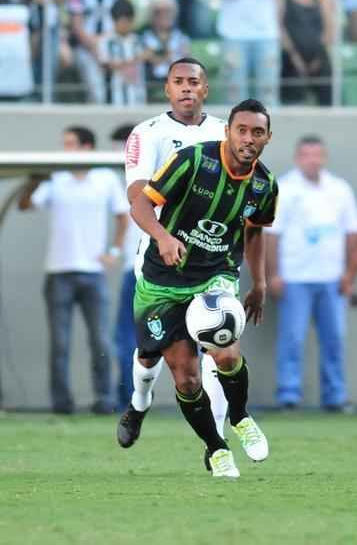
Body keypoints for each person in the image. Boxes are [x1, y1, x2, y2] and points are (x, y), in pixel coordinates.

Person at [121, 98, 277, 479]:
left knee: (224, 354)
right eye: (242, 130)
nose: (248, 139)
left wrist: (259, 282)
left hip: (215, 275)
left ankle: (240, 418)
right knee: (187, 378)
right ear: (228, 131)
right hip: (162, 281)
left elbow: (255, 231)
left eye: (257, 132)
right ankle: (215, 447)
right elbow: (141, 205)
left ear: (268, 138)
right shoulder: (193, 161)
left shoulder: (264, 184)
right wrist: (162, 236)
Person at [119, 57, 230, 444]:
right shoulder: (147, 134)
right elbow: (138, 197)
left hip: (213, 259)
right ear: (166, 89)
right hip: (159, 256)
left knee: (218, 340)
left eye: (193, 82)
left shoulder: (226, 133)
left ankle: (218, 437)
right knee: (151, 356)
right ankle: (139, 401)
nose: (186, 88)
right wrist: (164, 237)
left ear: (205, 89)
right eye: (178, 81)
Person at [18, 126, 128, 415]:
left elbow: (122, 216)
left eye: (70, 144)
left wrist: (113, 252)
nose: (65, 149)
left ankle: (105, 400)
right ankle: (61, 403)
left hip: (93, 272)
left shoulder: (105, 178)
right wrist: (32, 182)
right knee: (60, 343)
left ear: (87, 147)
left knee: (101, 340)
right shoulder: (55, 177)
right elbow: (25, 205)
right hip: (58, 272)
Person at [269, 135, 357, 411]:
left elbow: (353, 233)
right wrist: (273, 274)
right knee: (292, 338)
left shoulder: (339, 189)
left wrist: (348, 275)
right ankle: (288, 394)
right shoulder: (285, 189)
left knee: (334, 338)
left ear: (324, 158)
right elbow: (271, 235)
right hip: (295, 277)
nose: (313, 160)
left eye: (317, 155)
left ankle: (335, 395)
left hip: (331, 278)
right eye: (307, 155)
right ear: (298, 158)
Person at [110, 122, 144, 404]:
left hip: (140, 269)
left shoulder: (126, 181)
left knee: (127, 338)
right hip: (167, 268)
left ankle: (130, 399)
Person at [280, 0, 333, 106]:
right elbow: (279, 26)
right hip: (291, 58)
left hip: (318, 55)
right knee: (294, 102)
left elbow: (329, 24)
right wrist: (295, 56)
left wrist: (319, 55)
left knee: (327, 100)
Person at [99, 0, 146, 105]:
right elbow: (107, 65)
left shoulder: (138, 41)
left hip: (137, 96)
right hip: (114, 98)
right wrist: (137, 59)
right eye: (121, 21)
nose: (125, 25)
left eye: (128, 21)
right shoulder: (106, 41)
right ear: (114, 21)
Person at [140, 0, 191, 89]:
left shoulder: (182, 38)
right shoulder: (142, 37)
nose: (164, 16)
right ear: (151, 14)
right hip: (150, 86)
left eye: (168, 11)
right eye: (159, 12)